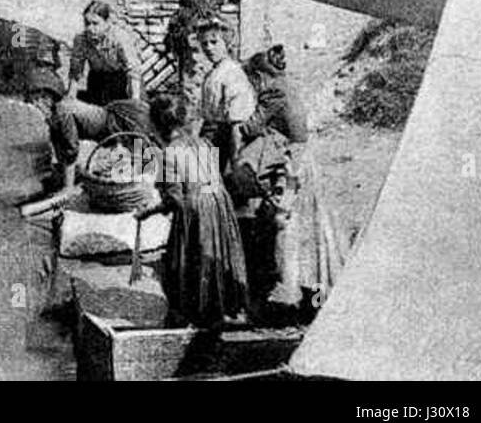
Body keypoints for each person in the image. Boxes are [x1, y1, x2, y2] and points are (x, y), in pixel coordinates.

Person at [240, 48, 348, 320]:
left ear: (260, 77)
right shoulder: (288, 84)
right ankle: (313, 298)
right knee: (310, 231)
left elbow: (250, 127)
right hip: (303, 159)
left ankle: (290, 299)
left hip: (293, 165)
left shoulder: (273, 92)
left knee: (287, 230)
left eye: (252, 80)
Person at [135, 95, 248, 328]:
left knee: (186, 263)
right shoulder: (204, 144)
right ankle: (226, 309)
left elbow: (174, 200)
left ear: (157, 125)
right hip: (219, 204)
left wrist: (147, 212)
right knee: (218, 256)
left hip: (196, 210)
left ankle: (197, 316)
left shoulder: (167, 154)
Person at [50, 1, 145, 191]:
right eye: (87, 23)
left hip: (123, 83)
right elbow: (76, 73)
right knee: (98, 124)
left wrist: (133, 104)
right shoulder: (81, 40)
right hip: (99, 81)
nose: (90, 28)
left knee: (129, 128)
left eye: (95, 23)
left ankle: (139, 174)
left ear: (107, 22)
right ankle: (77, 170)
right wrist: (70, 98)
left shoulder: (119, 38)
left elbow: (133, 73)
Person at [195, 18, 256, 177]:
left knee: (214, 184)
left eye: (214, 42)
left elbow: (237, 123)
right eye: (204, 43)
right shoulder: (213, 73)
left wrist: (235, 159)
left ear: (226, 43)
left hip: (225, 138)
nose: (208, 48)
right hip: (209, 137)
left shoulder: (232, 73)